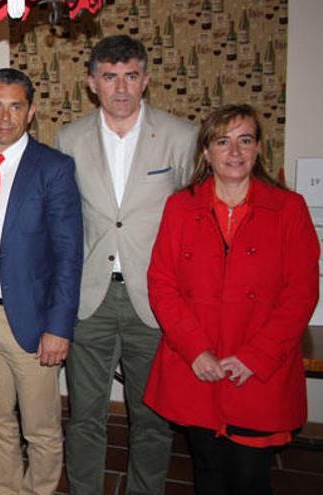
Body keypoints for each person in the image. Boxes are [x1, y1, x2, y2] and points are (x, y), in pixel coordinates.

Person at [144, 104, 318, 495]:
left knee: (249, 478)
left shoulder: (289, 209)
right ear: (206, 152)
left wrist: (254, 358)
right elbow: (162, 283)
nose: (234, 152)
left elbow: (302, 294)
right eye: (222, 142)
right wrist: (196, 351)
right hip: (196, 367)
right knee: (207, 472)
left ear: (258, 149)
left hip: (257, 372)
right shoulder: (180, 206)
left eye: (245, 140)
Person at [55, 34, 197, 495]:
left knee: (153, 418)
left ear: (146, 80)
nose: (121, 88)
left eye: (131, 76)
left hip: (155, 299)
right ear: (92, 82)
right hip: (89, 297)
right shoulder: (69, 137)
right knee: (85, 417)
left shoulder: (180, 136)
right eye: (110, 77)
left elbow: (194, 222)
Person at [0, 68, 83, 495]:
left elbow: (68, 255)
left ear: (31, 112)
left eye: (15, 107)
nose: (5, 117)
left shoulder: (54, 167)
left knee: (41, 429)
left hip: (29, 321)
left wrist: (58, 327)